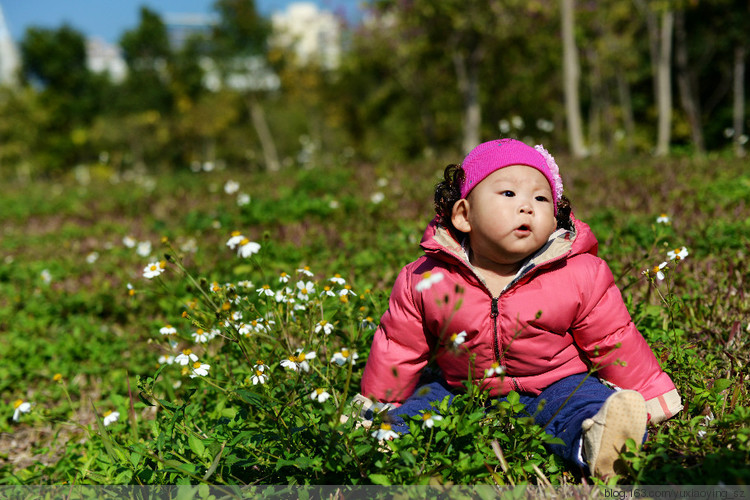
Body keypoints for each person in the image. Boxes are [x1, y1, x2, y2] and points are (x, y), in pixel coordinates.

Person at [359, 138, 683, 478]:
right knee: (423, 406)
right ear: (464, 215)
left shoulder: (578, 272)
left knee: (584, 404)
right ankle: (385, 439)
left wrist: (651, 396)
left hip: (554, 384)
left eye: (541, 198)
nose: (527, 206)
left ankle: (600, 444)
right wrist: (379, 401)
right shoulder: (426, 278)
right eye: (509, 194)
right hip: (462, 387)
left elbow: (612, 337)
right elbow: (400, 346)